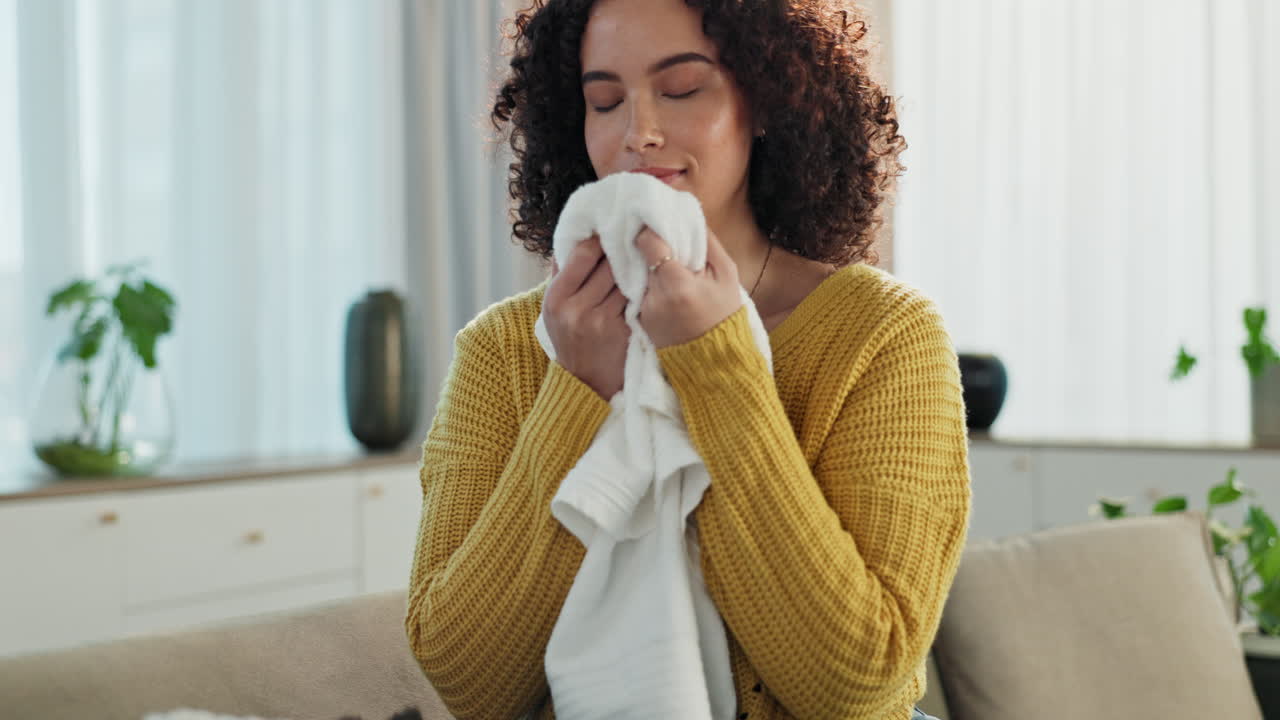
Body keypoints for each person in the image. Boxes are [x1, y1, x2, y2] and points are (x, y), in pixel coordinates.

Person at [404, 1, 970, 718]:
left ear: (768, 101)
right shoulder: (503, 350)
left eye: (681, 90)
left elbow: (855, 685)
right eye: (604, 101)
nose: (637, 133)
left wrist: (714, 364)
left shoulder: (884, 336)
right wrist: (577, 390)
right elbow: (467, 683)